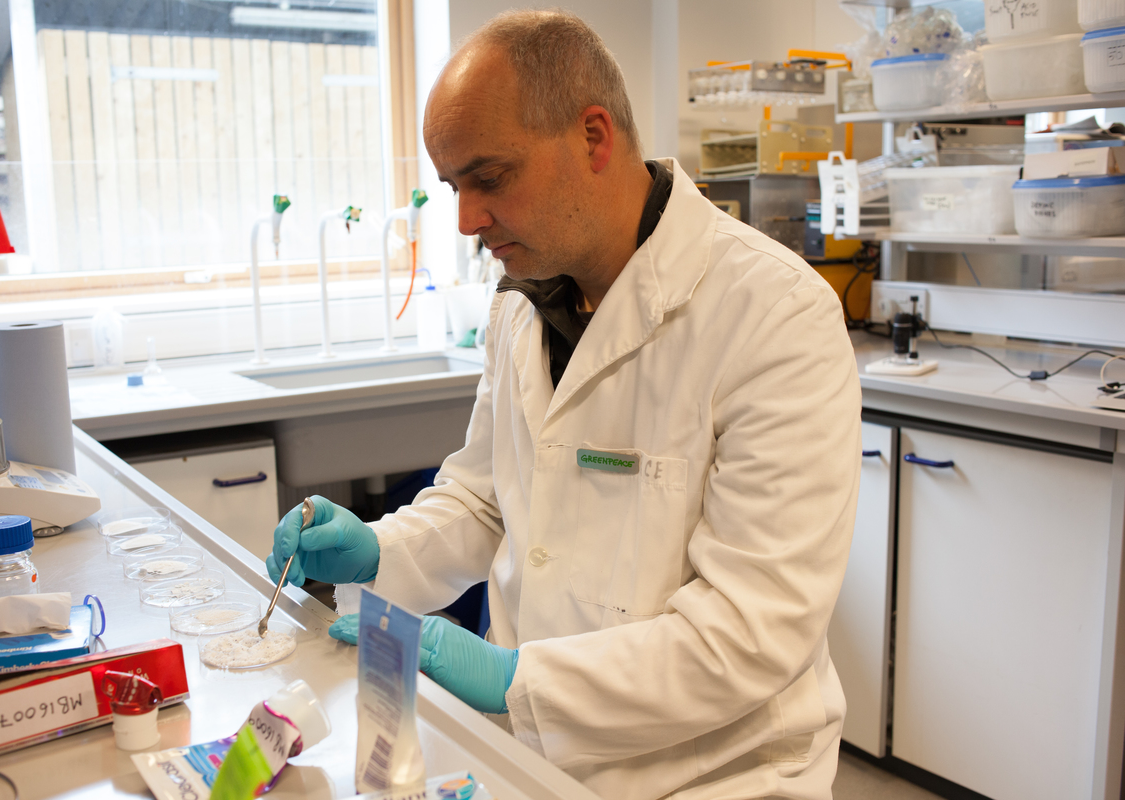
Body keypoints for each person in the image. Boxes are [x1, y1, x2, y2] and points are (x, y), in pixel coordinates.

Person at [268, 9, 861, 799]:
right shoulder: (523, 304)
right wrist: (381, 549)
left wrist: (516, 676)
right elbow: (486, 499)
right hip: (532, 757)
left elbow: (749, 635)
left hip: (714, 775)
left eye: (490, 177)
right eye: (453, 186)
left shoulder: (774, 314)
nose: (466, 219)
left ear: (593, 137)